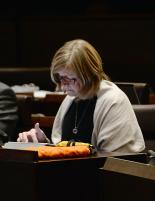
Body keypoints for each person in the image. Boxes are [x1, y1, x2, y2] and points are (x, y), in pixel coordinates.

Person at [17, 39, 145, 153]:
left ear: (89, 75)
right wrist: (42, 143)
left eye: (70, 79)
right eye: (61, 77)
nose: (62, 86)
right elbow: (62, 149)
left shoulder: (113, 101)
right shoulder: (70, 99)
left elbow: (115, 159)